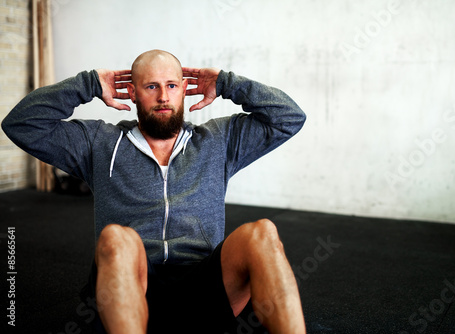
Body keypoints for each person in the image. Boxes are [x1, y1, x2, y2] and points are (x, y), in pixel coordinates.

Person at [2, 49, 306, 333]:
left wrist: (227, 83)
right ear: (132, 92)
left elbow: (289, 117)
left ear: (185, 89)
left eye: (172, 86)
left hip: (205, 286)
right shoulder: (99, 143)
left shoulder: (218, 140)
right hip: (132, 284)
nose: (164, 97)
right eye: (151, 87)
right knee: (115, 238)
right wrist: (88, 84)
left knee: (262, 233)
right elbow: (21, 124)